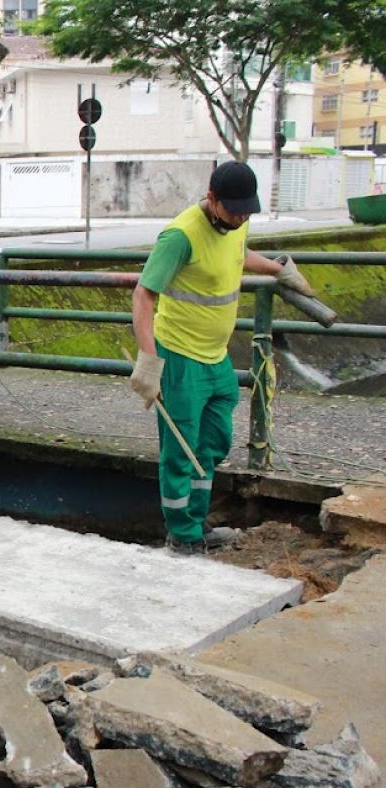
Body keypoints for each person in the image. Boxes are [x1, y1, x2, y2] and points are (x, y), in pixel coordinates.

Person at [129, 161, 315, 555]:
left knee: (212, 444)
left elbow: (237, 253)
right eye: (235, 210)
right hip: (179, 356)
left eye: (248, 210)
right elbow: (144, 295)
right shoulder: (180, 236)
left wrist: (279, 270)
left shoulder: (237, 222)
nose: (242, 217)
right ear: (212, 199)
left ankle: (197, 526)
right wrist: (149, 361)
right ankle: (182, 536)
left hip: (216, 358)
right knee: (180, 452)